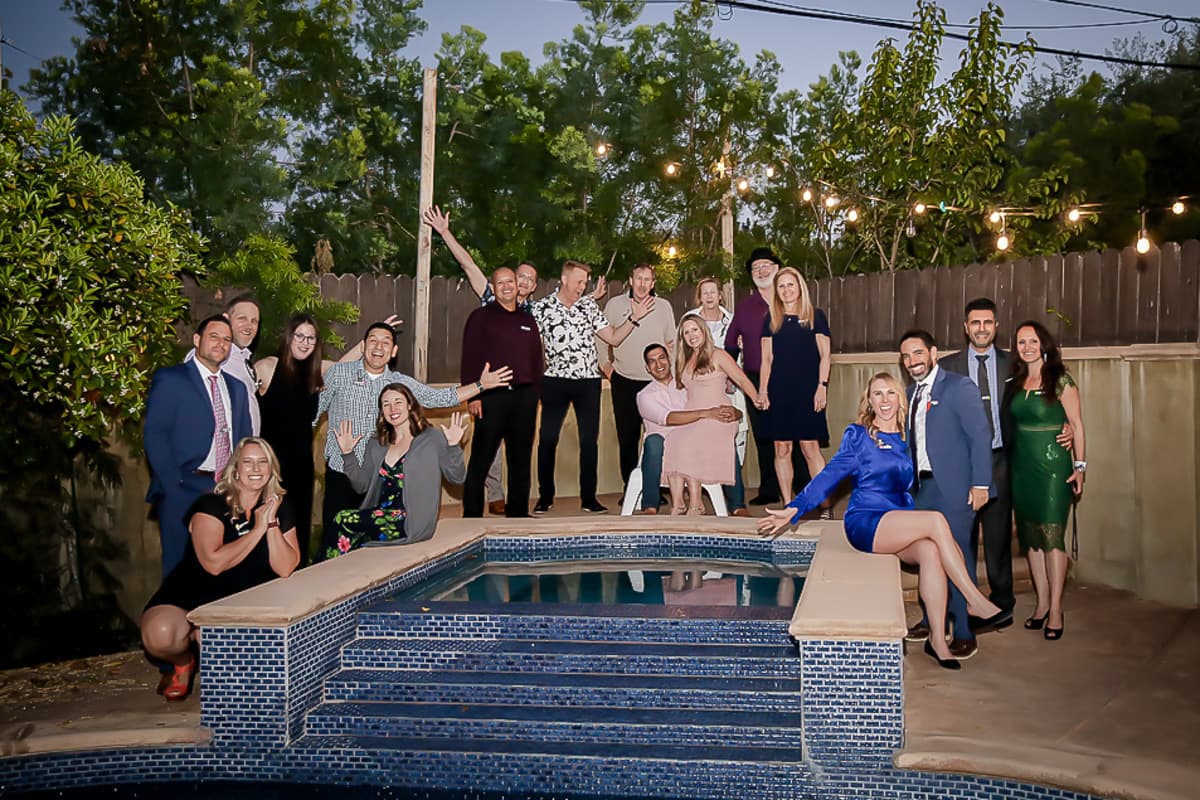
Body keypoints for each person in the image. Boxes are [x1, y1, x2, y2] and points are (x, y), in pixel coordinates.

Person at [758, 373, 1011, 669]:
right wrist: (796, 507)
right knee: (935, 522)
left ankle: (938, 641)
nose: (885, 400)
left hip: (900, 519)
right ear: (869, 401)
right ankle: (972, 599)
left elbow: (954, 447)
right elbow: (830, 475)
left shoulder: (909, 439)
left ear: (900, 399)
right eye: (877, 394)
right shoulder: (859, 435)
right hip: (867, 519)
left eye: (890, 393)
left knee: (930, 551)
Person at [315, 321, 511, 560]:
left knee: (363, 549)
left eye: (386, 342)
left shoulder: (400, 384)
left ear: (394, 351)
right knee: (335, 534)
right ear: (364, 345)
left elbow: (440, 397)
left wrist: (481, 385)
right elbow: (314, 412)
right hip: (342, 468)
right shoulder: (339, 373)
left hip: (379, 477)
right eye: (373, 341)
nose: (379, 347)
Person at [141, 437, 301, 700]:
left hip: (240, 602)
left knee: (222, 651)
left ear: (272, 469)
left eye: (263, 462)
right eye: (248, 462)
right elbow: (213, 564)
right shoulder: (211, 506)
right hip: (193, 593)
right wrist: (257, 529)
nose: (256, 469)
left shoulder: (280, 510)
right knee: (160, 634)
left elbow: (285, 568)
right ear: (235, 469)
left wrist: (270, 523)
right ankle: (183, 662)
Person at [254, 313, 385, 565]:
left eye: (311, 338)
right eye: (299, 336)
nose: (304, 342)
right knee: (269, 521)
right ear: (289, 337)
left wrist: (370, 340)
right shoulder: (267, 367)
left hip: (301, 464)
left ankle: (299, 574)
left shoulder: (316, 373)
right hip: (269, 463)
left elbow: (343, 368)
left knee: (299, 522)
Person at [899, 329, 996, 661]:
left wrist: (981, 484)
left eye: (917, 353)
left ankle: (965, 631)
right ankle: (931, 621)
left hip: (955, 488)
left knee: (956, 555)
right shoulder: (909, 393)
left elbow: (981, 436)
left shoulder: (959, 387)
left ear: (933, 353)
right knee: (930, 556)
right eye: (906, 356)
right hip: (921, 489)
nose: (912, 362)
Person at [531, 260, 652, 514]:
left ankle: (588, 498)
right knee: (548, 439)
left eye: (584, 283)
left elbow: (614, 338)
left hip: (587, 382)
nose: (582, 287)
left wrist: (634, 319)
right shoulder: (541, 308)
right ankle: (545, 496)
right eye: (578, 282)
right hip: (554, 380)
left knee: (589, 441)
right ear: (564, 280)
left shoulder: (589, 307)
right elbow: (530, 346)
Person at [144, 315, 254, 575]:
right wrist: (173, 485)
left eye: (227, 339)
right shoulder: (171, 379)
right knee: (179, 570)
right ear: (197, 340)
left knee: (224, 570)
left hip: (227, 490)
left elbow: (245, 441)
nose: (221, 343)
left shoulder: (237, 388)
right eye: (214, 336)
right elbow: (155, 434)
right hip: (184, 486)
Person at [1002, 320, 1086, 641]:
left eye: (1032, 341)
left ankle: (1055, 610)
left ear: (1044, 344)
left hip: (1054, 466)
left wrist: (1080, 466)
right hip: (1022, 467)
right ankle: (1040, 605)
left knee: (1052, 536)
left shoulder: (1060, 379)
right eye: (1021, 342)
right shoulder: (1016, 381)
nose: (1027, 347)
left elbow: (1076, 425)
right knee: (1032, 538)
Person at [328, 384, 468, 557]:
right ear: (382, 411)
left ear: (409, 405)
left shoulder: (431, 438)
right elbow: (361, 486)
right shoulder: (377, 443)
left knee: (343, 519)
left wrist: (453, 446)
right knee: (348, 537)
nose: (392, 409)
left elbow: (457, 478)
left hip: (410, 521)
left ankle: (320, 574)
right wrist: (348, 454)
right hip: (380, 515)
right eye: (386, 404)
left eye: (398, 402)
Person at [724, 247, 810, 505]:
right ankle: (769, 489)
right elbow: (730, 343)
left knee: (795, 433)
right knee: (764, 435)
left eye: (766, 266)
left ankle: (804, 486)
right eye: (755, 268)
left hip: (790, 379)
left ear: (777, 268)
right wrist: (730, 375)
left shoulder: (791, 302)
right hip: (753, 377)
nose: (761, 271)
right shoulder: (745, 307)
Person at [460, 267, 544, 518]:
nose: (506, 286)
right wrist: (473, 396)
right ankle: (471, 515)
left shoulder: (528, 320)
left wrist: (535, 394)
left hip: (524, 398)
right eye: (500, 283)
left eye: (510, 282)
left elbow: (536, 360)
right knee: (480, 460)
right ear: (493, 288)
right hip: (491, 397)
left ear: (518, 286)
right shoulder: (479, 317)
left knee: (520, 459)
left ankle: (518, 512)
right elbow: (469, 357)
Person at [663, 314, 760, 514]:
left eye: (694, 330)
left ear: (703, 331)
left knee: (690, 439)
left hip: (719, 415)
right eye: (686, 332)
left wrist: (757, 399)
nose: (691, 336)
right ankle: (680, 503)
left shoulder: (718, 355)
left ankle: (697, 503)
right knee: (673, 439)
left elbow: (741, 381)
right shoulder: (684, 360)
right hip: (695, 415)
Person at [635, 343, 745, 515]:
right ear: (647, 368)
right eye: (652, 361)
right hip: (663, 444)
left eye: (662, 358)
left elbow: (715, 404)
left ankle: (738, 506)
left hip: (694, 439)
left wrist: (735, 413)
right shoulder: (644, 396)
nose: (659, 364)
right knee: (653, 442)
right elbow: (669, 418)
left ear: (669, 360)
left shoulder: (688, 386)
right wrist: (705, 413)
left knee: (723, 440)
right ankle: (650, 505)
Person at [758, 266, 832, 508]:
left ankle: (824, 505)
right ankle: (789, 504)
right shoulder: (771, 319)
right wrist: (762, 390)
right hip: (779, 392)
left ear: (799, 286)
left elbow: (825, 356)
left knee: (810, 448)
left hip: (809, 391)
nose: (786, 290)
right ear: (776, 291)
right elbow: (766, 359)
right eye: (781, 286)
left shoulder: (815, 316)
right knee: (781, 448)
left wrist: (822, 386)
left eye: (791, 284)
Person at [598, 263, 677, 489]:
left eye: (647, 280)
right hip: (624, 381)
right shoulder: (615, 305)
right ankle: (631, 488)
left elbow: (671, 342)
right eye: (638, 279)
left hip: (657, 383)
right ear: (631, 281)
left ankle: (657, 487)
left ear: (653, 283)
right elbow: (602, 340)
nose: (642, 284)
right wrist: (608, 368)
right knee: (628, 437)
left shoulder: (663, 307)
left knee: (660, 437)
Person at [688, 276, 748, 514]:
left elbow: (738, 356)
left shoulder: (733, 322)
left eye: (714, 291)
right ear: (699, 296)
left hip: (730, 389)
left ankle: (735, 501)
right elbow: (683, 356)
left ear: (720, 295)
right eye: (705, 292)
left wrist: (733, 380)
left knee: (732, 442)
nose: (710, 296)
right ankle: (700, 498)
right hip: (700, 393)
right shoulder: (690, 320)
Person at [185, 294, 262, 435]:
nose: (248, 326)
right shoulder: (210, 352)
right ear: (226, 319)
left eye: (254, 321)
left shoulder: (241, 358)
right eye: (242, 318)